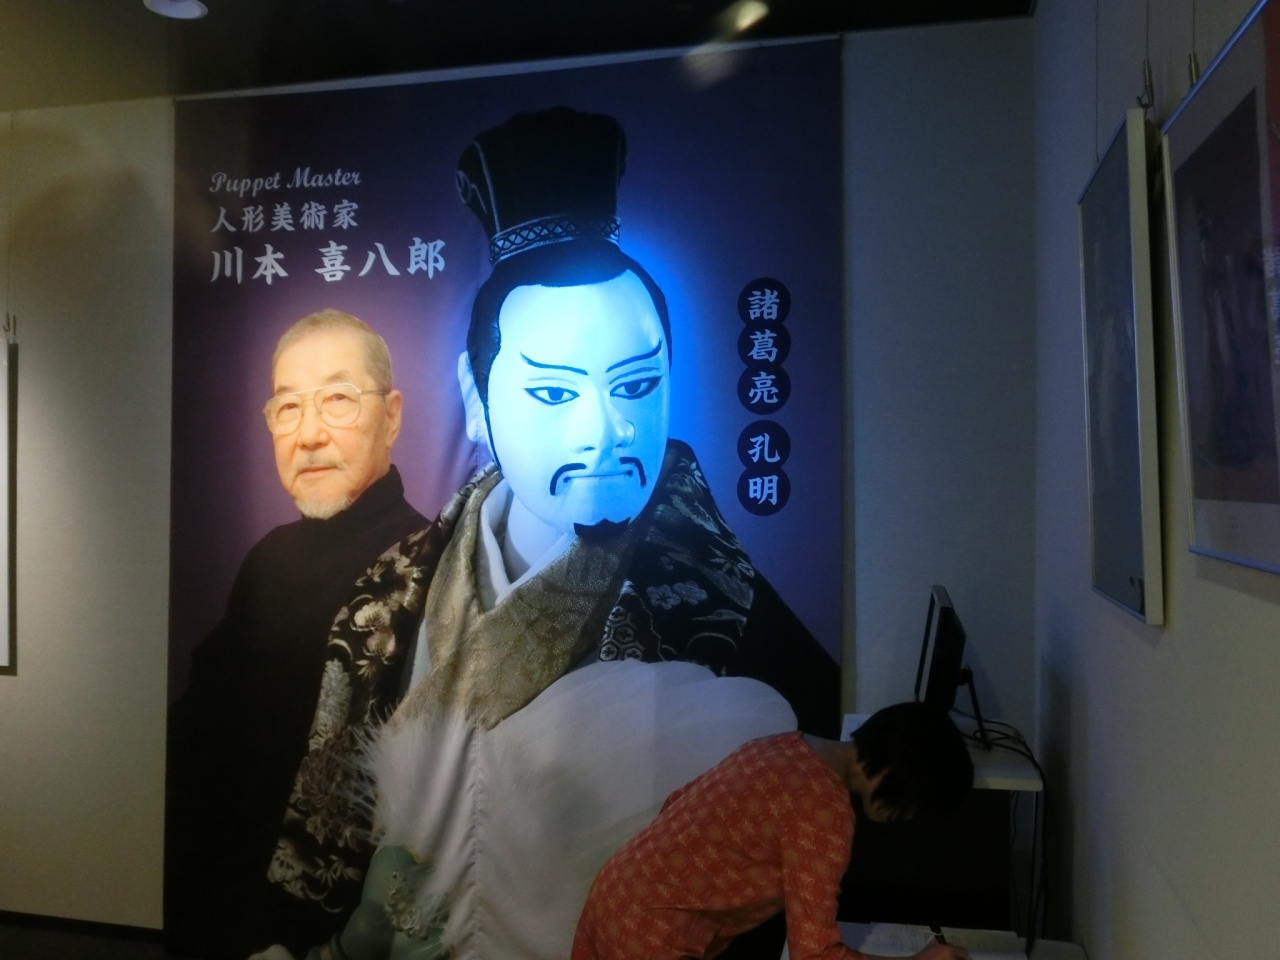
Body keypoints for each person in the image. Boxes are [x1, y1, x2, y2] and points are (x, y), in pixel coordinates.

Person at [274, 107, 842, 960]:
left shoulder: (719, 609)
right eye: (551, 393)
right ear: (476, 397)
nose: (605, 432)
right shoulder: (388, 602)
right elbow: (332, 852)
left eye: (636, 385)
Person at [164, 310, 427, 960]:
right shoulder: (269, 558)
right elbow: (203, 742)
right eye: (288, 407)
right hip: (220, 910)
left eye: (338, 399)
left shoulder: (429, 568)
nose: (308, 435)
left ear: (392, 416)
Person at [571, 703, 975, 960]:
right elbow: (815, 955)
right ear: (898, 773)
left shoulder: (783, 745)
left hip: (614, 889)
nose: (906, 818)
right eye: (913, 806)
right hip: (650, 937)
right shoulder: (826, 812)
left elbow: (676, 802)